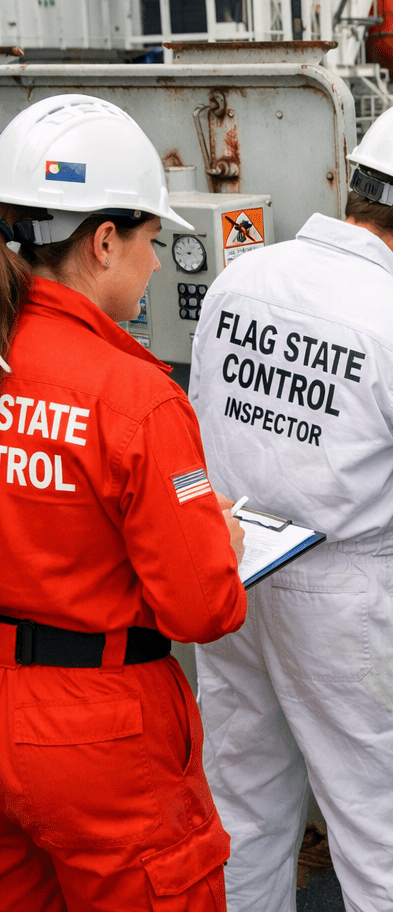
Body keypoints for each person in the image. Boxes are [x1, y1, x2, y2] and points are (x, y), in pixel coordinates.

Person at [189, 96, 393, 912]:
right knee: (388, 838)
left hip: (234, 566)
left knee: (244, 812)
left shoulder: (242, 278)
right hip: (344, 604)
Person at [0, 94, 248, 911]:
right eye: (152, 241)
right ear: (103, 241)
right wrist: (227, 546)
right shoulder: (133, 395)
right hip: (103, 735)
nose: (154, 264)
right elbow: (202, 607)